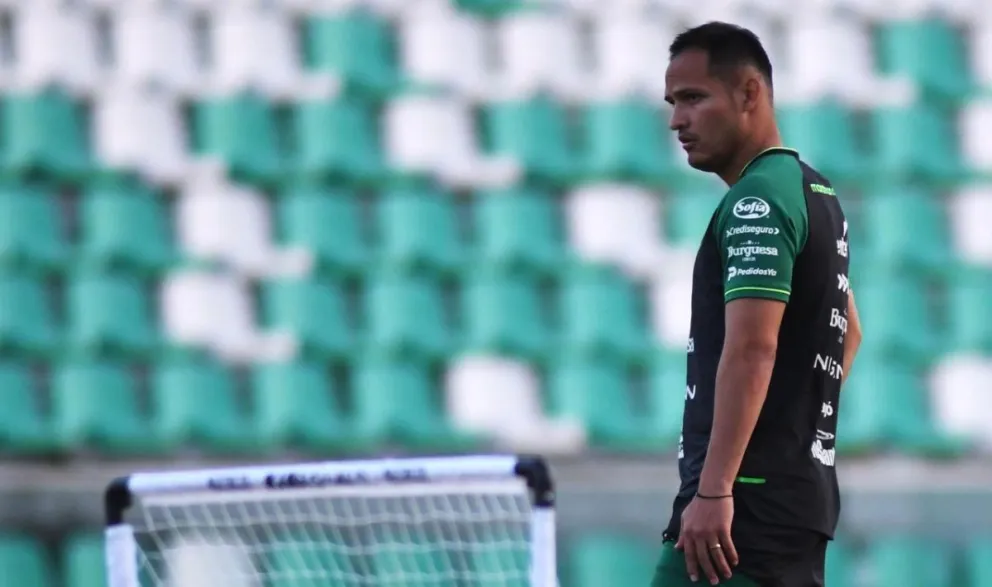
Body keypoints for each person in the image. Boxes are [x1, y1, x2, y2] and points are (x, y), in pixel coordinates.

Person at [649, 22, 864, 587]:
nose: (676, 120)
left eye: (694, 98)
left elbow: (751, 347)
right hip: (792, 500)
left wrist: (717, 487)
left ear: (749, 94)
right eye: (673, 102)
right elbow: (849, 333)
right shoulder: (814, 193)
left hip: (738, 515)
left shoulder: (758, 199)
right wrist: (787, 434)